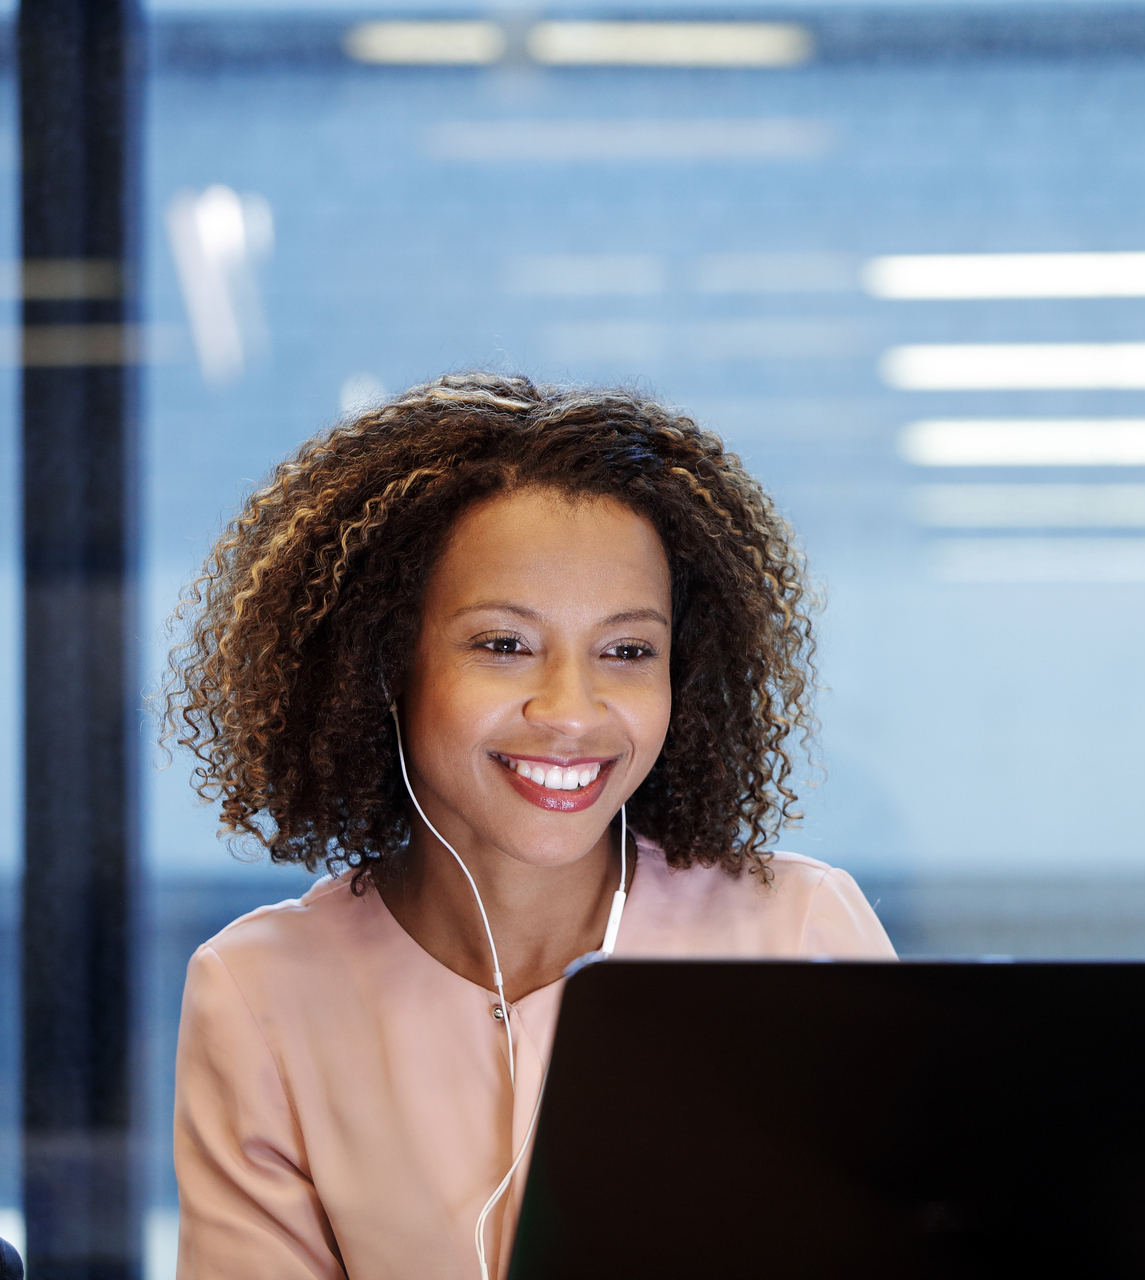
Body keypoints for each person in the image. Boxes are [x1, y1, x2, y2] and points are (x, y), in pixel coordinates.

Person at [164, 373, 895, 1280]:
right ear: (386, 662)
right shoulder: (261, 993)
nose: (571, 712)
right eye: (504, 644)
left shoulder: (799, 936)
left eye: (628, 651)